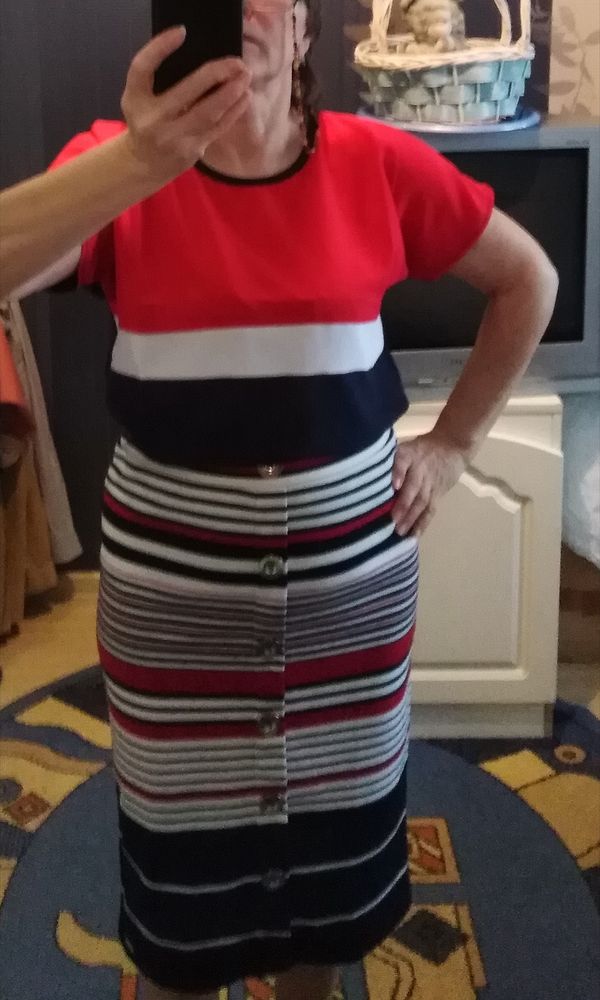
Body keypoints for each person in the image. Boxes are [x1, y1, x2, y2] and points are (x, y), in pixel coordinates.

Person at [0, 1, 558, 998]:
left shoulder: (376, 161)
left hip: (354, 596)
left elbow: (529, 280)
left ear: (302, 29)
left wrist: (453, 445)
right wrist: (139, 160)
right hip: (175, 603)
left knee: (335, 858)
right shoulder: (116, 166)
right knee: (181, 868)